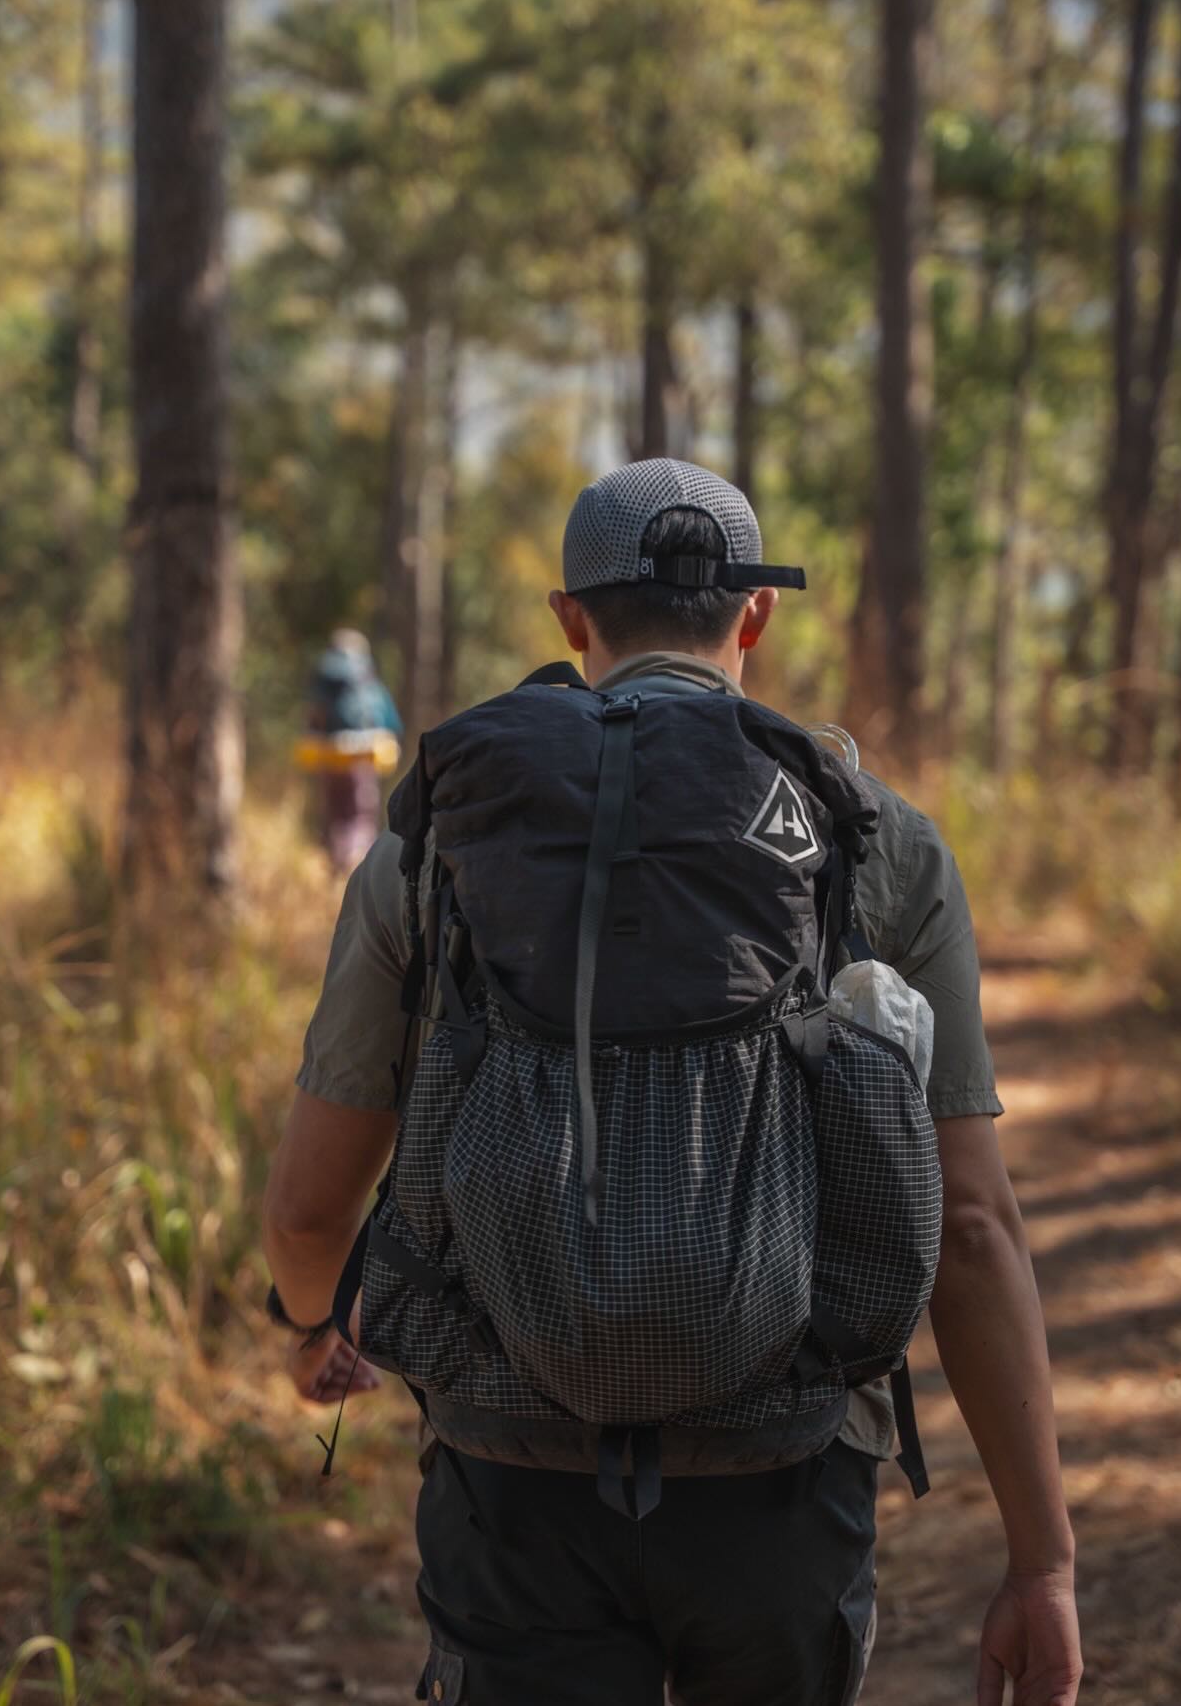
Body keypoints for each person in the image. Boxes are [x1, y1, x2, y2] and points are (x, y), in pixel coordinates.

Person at [263, 460, 1083, 1706]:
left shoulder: (442, 839)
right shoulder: (875, 838)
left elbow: (311, 1206)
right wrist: (1043, 1560)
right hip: (785, 1465)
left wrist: (314, 1324)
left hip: (512, 1478)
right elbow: (971, 1225)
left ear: (569, 617)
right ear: (756, 613)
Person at [300, 629, 403, 872]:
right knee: (360, 815)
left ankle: (336, 864)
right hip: (362, 760)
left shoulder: (324, 681)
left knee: (334, 814)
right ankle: (357, 866)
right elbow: (392, 724)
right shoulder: (369, 682)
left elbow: (312, 719)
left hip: (329, 757)